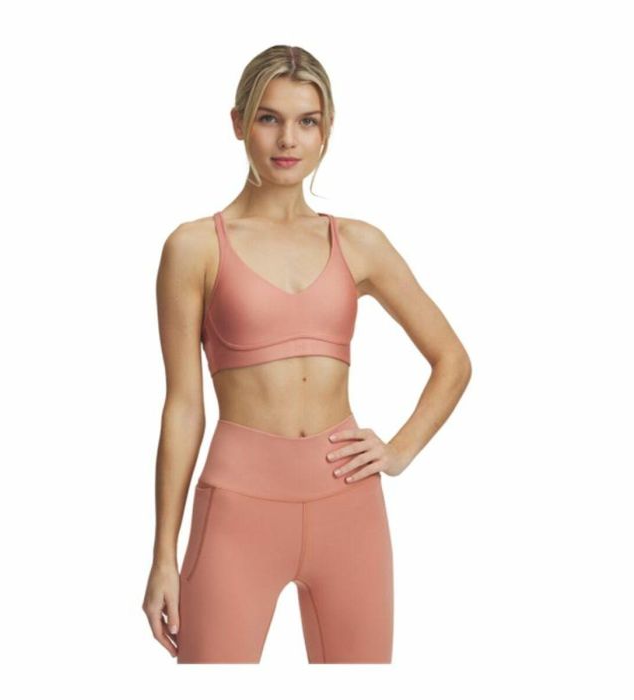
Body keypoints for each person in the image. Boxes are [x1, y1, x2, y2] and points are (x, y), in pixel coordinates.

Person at [142, 45, 472, 664]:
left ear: (327, 130)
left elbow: (452, 360)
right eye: (268, 118)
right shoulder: (194, 247)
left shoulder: (359, 242)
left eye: (306, 121)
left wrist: (398, 451)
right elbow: (183, 407)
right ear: (238, 123)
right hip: (237, 509)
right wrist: (164, 554)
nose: (287, 139)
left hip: (349, 505)